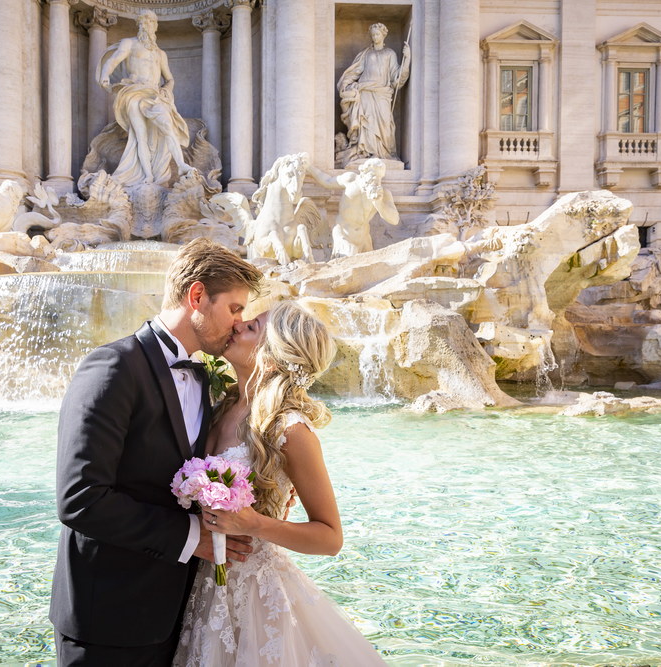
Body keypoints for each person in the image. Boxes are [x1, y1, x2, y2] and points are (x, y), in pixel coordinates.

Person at [50, 238, 264, 666]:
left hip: (181, 614)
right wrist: (192, 538)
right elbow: (80, 498)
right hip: (109, 616)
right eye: (235, 308)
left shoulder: (205, 378)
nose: (239, 323)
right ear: (197, 296)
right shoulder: (114, 366)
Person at [173, 301, 385, 665]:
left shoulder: (291, 431)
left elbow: (331, 538)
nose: (237, 325)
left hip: (255, 592)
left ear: (272, 358)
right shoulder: (218, 407)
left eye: (252, 327)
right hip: (199, 583)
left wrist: (255, 523)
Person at [98, 9, 195, 186]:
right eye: (144, 22)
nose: (147, 25)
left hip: (155, 95)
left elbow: (170, 78)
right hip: (133, 92)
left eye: (151, 22)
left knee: (168, 127)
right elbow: (114, 60)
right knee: (139, 136)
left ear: (155, 26)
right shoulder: (130, 44)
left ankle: (181, 165)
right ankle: (148, 176)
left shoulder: (160, 54)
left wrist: (167, 89)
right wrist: (105, 75)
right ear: (139, 25)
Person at [338, 22, 411, 163]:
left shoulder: (389, 53)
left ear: (383, 35)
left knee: (385, 123)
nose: (375, 37)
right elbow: (355, 71)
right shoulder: (366, 54)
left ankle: (384, 153)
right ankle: (366, 152)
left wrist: (407, 59)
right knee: (367, 122)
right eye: (373, 35)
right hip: (365, 91)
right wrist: (347, 84)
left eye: (377, 34)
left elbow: (396, 76)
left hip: (382, 94)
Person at [308, 157, 400, 258]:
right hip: (344, 234)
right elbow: (327, 181)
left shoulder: (383, 194)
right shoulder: (351, 180)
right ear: (364, 172)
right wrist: (308, 167)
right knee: (347, 263)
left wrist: (378, 203)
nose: (376, 180)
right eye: (373, 176)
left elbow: (394, 220)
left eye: (379, 177)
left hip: (364, 238)